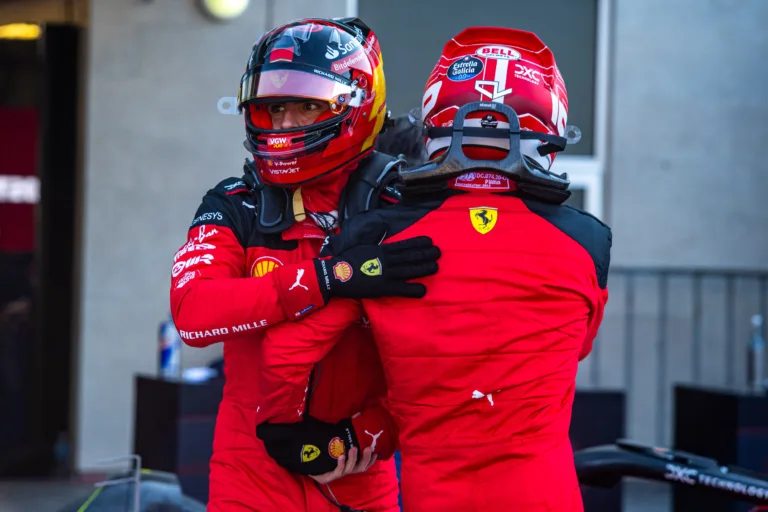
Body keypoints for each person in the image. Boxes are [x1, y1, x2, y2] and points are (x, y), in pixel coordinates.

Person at [254, 26, 612, 511]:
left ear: (435, 121)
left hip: (433, 495)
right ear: (549, 126)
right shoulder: (587, 241)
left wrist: (293, 433)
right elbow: (578, 349)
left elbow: (285, 355)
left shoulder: (379, 235)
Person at [169, 17, 440, 512]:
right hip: (247, 472)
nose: (287, 125)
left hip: (357, 473)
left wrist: (370, 433)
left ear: (356, 107)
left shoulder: (403, 206)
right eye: (275, 108)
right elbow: (193, 313)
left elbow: (447, 355)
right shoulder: (237, 202)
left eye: (309, 106)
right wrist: (324, 279)